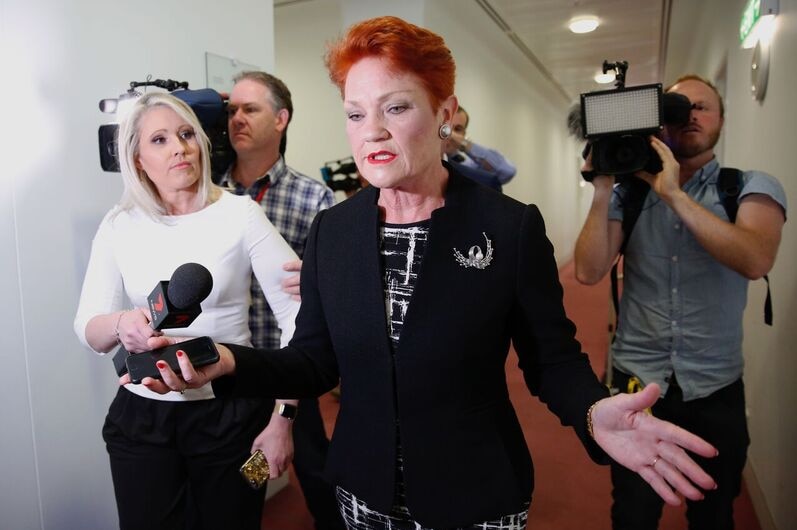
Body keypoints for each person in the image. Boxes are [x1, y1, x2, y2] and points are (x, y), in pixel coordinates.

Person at [134, 18, 719, 530]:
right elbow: (313, 361)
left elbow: (552, 359)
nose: (372, 131)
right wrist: (230, 361)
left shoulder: (508, 227)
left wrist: (593, 412)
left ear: (442, 114)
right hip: (362, 492)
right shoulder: (334, 231)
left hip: (476, 493)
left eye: (396, 107)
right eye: (356, 114)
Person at [73, 92, 301, 530]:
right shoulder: (119, 223)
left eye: (185, 135)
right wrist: (123, 325)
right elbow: (87, 327)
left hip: (234, 419)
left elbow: (299, 318)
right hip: (141, 423)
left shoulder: (241, 214)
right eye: (159, 140)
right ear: (138, 160)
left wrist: (282, 419)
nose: (179, 147)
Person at [574, 74, 787, 529]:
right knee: (633, 512)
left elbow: (754, 257)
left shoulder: (748, 187)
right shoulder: (628, 195)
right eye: (676, 107)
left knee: (714, 513)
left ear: (722, 121)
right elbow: (589, 271)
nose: (690, 114)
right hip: (638, 385)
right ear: (657, 122)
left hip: (715, 386)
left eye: (703, 107)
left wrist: (671, 193)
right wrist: (603, 187)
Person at [219, 70, 344, 529]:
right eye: (231, 110)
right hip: (226, 370)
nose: (237, 119)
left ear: (281, 119)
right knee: (245, 481)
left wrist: (318, 282)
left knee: (312, 467)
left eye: (250, 109)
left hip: (288, 370)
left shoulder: (315, 197)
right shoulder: (205, 196)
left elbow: (326, 297)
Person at [443, 105, 516, 191]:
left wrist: (463, 143)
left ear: (464, 134)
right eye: (445, 126)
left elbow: (507, 171)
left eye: (458, 129)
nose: (449, 134)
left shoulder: (469, 166)